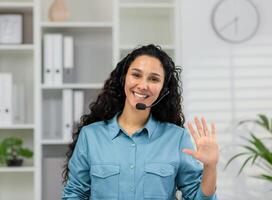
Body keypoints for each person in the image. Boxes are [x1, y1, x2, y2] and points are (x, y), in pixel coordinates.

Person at [61, 44, 219, 200]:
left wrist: (210, 166)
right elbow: (74, 195)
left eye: (154, 79)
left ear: (163, 90)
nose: (143, 85)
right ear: (124, 78)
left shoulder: (177, 138)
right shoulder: (91, 136)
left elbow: (198, 198)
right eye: (136, 75)